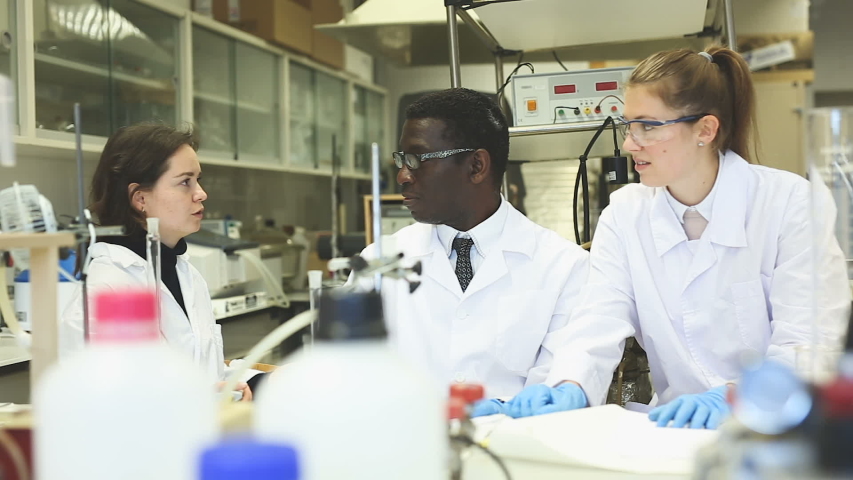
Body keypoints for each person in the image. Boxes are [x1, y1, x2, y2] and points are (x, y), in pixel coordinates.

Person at [539, 46, 851, 428]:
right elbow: (597, 320)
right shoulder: (624, 215)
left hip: (777, 428)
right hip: (676, 428)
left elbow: (810, 342)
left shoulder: (790, 203)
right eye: (628, 125)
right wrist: (569, 383)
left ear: (705, 129)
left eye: (648, 126)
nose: (628, 144)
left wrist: (734, 395)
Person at [356, 88, 590, 418]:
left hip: (515, 459)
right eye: (401, 160)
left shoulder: (565, 267)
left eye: (416, 160)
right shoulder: (376, 263)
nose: (402, 176)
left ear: (476, 165)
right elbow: (347, 381)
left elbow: (555, 391)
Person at [60, 123, 258, 400]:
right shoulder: (107, 290)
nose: (201, 193)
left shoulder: (183, 273)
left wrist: (262, 381)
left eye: (198, 180)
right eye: (185, 181)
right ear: (140, 198)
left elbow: (205, 373)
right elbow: (103, 405)